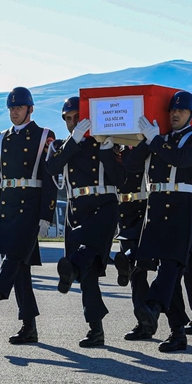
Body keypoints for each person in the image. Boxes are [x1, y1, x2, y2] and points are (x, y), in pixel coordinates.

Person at [124, 90, 192, 353]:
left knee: (171, 265)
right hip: (156, 206)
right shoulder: (157, 139)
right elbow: (130, 165)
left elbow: (180, 158)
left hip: (181, 207)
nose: (175, 114)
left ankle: (152, 306)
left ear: (191, 114)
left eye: (181, 111)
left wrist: (155, 141)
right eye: (173, 110)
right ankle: (178, 332)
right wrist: (145, 141)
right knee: (166, 270)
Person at [0, 87, 58, 345]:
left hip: (30, 207)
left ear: (30, 109)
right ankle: (29, 327)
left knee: (14, 257)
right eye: (11, 108)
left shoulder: (44, 136)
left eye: (19, 107)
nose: (14, 112)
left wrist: (46, 215)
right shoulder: (0, 138)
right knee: (20, 270)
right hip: (8, 209)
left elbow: (49, 178)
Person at [46, 96, 124, 347]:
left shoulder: (104, 142)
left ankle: (71, 268)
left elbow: (121, 179)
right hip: (76, 209)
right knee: (88, 275)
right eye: (68, 119)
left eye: (77, 118)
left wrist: (107, 152)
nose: (72, 123)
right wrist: (74, 139)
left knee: (86, 253)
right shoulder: (61, 144)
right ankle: (95, 328)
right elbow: (52, 167)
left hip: (104, 205)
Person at [113, 146, 151, 338]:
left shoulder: (148, 144)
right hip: (124, 211)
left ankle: (190, 318)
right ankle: (143, 320)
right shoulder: (116, 148)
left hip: (145, 209)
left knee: (174, 273)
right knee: (137, 275)